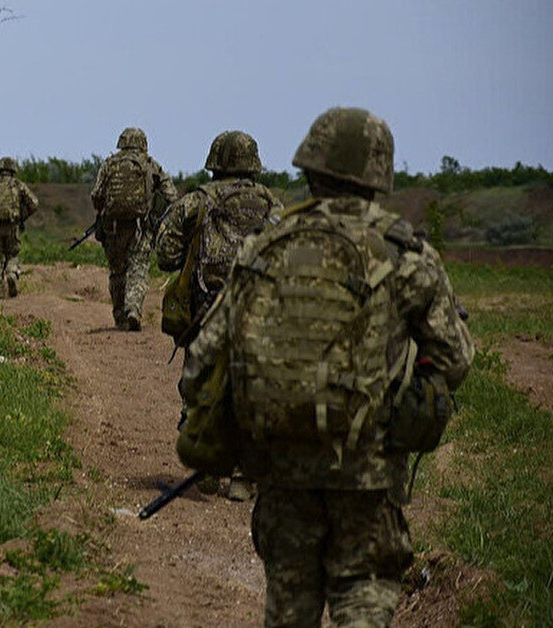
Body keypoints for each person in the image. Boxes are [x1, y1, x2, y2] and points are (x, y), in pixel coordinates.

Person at [180, 107, 474, 627]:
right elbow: (455, 359)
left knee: (289, 603)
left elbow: (204, 358)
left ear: (308, 168)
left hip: (280, 468)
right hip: (368, 471)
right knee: (363, 592)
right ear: (379, 176)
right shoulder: (407, 255)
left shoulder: (266, 247)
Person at [156, 130, 282, 501]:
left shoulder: (195, 202)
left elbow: (165, 254)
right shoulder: (273, 206)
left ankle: (207, 470)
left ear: (214, 161)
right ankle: (243, 478)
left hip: (206, 310)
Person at [90, 127, 177, 330]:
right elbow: (171, 196)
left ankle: (120, 316)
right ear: (143, 144)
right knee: (138, 269)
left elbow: (96, 196)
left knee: (117, 272)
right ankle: (133, 310)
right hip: (140, 228)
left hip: (113, 228)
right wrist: (156, 213)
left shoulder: (109, 164)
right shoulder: (150, 165)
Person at [0, 157, 39, 298]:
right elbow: (34, 203)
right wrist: (23, 216)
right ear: (13, 170)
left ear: (0, 170)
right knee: (12, 254)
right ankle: (11, 274)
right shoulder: (17, 185)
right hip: (12, 227)